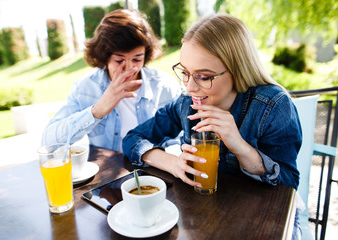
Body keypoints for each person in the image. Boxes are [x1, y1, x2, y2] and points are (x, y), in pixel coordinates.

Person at [123, 13, 302, 238]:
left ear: (236, 70)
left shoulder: (272, 106)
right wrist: (172, 163)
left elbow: (288, 185)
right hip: (206, 219)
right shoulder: (186, 103)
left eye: (203, 77)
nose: (189, 87)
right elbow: (133, 139)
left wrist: (241, 147)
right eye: (185, 73)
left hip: (262, 224)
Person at [41, 9, 181, 151]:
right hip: (108, 169)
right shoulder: (86, 88)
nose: (129, 68)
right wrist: (98, 110)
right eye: (119, 60)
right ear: (104, 57)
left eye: (137, 59)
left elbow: (178, 139)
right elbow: (48, 143)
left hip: (152, 169)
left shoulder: (164, 85)